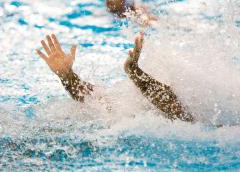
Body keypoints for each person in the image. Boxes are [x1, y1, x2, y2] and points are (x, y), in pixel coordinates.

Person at [36, 34, 194, 123]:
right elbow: (91, 98)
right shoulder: (126, 107)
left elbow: (177, 111)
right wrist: (67, 76)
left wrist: (134, 71)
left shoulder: (179, 116)